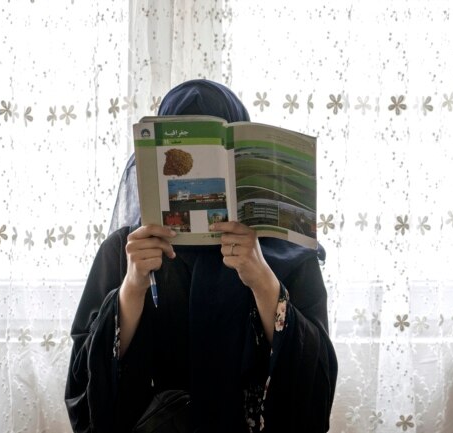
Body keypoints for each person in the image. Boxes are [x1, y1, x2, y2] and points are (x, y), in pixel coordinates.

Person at [65, 79, 337, 433]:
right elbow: (84, 388)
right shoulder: (125, 251)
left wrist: (263, 282)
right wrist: (132, 288)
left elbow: (316, 383)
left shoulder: (285, 253)